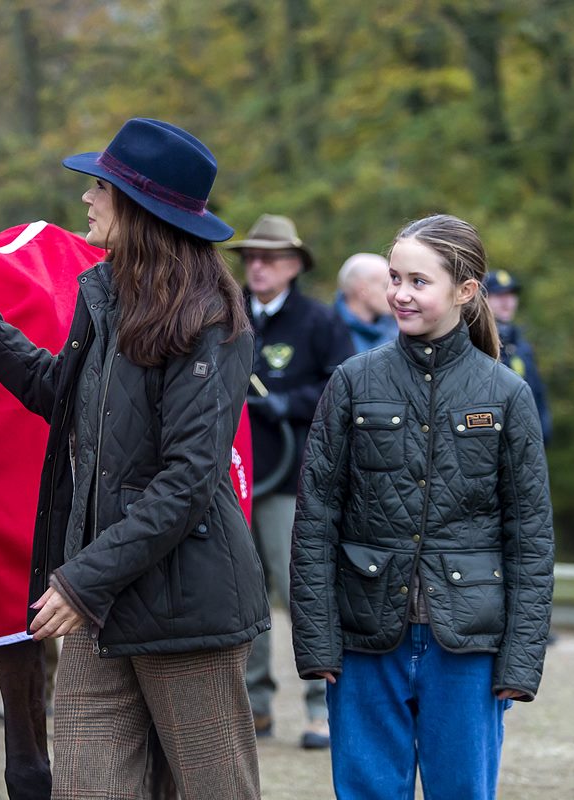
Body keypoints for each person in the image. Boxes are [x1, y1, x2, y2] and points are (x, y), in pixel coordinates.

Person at [0, 118, 269, 797]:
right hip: (97, 605)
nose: (87, 199)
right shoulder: (103, 298)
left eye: (101, 187)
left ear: (138, 207)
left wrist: (79, 581)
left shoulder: (213, 321)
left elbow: (186, 483)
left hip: (186, 611)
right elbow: (57, 394)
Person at [290, 214, 554, 799]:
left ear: (465, 291)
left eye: (419, 281)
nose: (401, 294)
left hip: (469, 644)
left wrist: (521, 659)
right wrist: (316, 640)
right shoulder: (353, 381)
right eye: (394, 278)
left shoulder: (506, 393)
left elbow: (530, 535)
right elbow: (315, 521)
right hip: (363, 636)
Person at [226, 213, 354, 749]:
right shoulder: (228, 315)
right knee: (243, 595)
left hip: (290, 482)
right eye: (252, 257)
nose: (257, 266)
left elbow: (343, 388)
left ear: (294, 266)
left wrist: (289, 402)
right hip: (233, 480)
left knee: (301, 590)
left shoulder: (318, 322)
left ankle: (320, 707)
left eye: (270, 258)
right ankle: (254, 706)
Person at [485, 270, 552, 445]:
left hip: (528, 448)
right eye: (499, 295)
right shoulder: (477, 344)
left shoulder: (521, 346)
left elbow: (537, 394)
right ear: (483, 299)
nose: (507, 301)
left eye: (511, 294)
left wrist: (543, 435)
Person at [335, 253, 398, 353]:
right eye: (385, 286)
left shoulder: (396, 331)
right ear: (362, 289)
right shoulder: (327, 332)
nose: (393, 294)